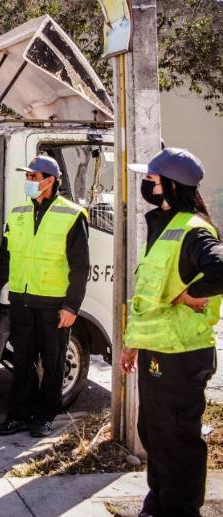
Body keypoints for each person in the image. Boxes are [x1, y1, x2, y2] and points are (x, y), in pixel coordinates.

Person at [121, 148, 223, 517]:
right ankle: (158, 504)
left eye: (151, 179)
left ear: (171, 185)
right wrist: (134, 343)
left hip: (183, 352)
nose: (146, 184)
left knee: (178, 439)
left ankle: (179, 510)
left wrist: (192, 293)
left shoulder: (194, 229)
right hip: (158, 348)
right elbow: (149, 295)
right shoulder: (165, 224)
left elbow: (220, 268)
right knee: (154, 433)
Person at [0, 155, 90, 437]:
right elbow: (6, 261)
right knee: (22, 363)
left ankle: (44, 417)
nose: (28, 181)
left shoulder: (72, 215)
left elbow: (80, 267)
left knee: (53, 364)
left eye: (33, 177)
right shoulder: (18, 215)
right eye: (27, 177)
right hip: (21, 302)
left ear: (50, 181)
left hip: (53, 305)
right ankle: (18, 417)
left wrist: (71, 306)